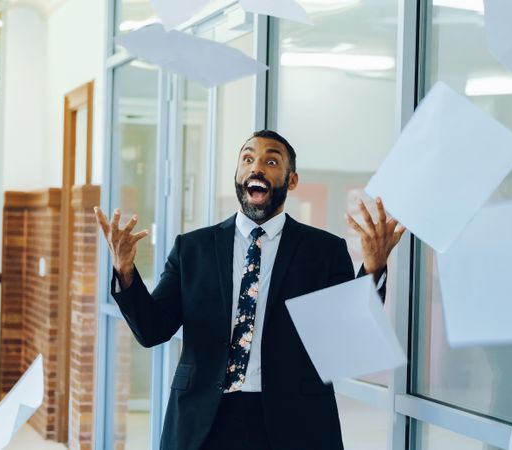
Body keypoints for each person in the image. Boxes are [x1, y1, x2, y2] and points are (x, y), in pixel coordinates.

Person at [95, 130, 405, 450]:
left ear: (292, 180)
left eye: (271, 160)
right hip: (205, 421)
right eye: (247, 158)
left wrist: (372, 268)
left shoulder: (323, 251)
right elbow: (152, 329)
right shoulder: (193, 249)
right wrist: (126, 272)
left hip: (294, 422)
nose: (256, 167)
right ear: (238, 175)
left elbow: (347, 339)